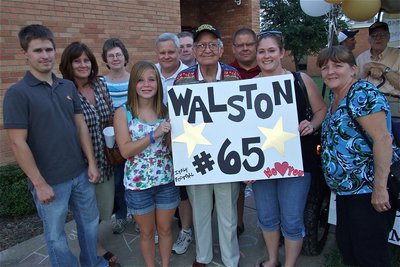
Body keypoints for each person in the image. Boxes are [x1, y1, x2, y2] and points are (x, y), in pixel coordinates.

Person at [3, 24, 109, 267]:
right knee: (56, 237)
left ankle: (92, 262)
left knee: (90, 225)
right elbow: (17, 143)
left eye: (49, 49)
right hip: (50, 182)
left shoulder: (67, 86)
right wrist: (39, 183)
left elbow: (81, 126)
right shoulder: (18, 94)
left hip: (81, 174)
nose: (45, 55)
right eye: (38, 50)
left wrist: (91, 163)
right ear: (25, 53)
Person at [317, 45, 398, 267]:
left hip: (368, 190)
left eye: (337, 65)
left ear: (353, 69)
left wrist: (380, 189)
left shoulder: (362, 94)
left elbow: (383, 139)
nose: (330, 71)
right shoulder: (336, 98)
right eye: (325, 67)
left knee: (370, 256)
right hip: (347, 192)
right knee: (349, 248)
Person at [252, 30, 327, 267]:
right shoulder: (249, 87)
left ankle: (289, 264)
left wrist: (312, 124)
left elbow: (321, 111)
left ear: (281, 53)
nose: (266, 56)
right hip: (261, 162)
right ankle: (273, 260)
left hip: (297, 160)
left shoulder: (300, 80)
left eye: (271, 50)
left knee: (292, 219)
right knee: (266, 216)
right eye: (261, 51)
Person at [174, 23, 241, 267]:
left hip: (227, 154)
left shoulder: (234, 76)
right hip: (197, 155)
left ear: (221, 49)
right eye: (201, 45)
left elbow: (244, 117)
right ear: (194, 50)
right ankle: (203, 257)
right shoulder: (182, 79)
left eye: (212, 44)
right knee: (200, 210)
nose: (207, 49)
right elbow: (177, 119)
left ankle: (230, 259)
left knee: (228, 213)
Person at [114, 61, 180, 267]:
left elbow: (173, 147)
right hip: (138, 186)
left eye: (152, 79)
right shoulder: (123, 113)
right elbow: (125, 151)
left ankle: (166, 264)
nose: (146, 84)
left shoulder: (167, 110)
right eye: (141, 80)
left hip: (166, 181)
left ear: (158, 83)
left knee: (166, 229)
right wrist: (154, 134)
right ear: (133, 84)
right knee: (147, 232)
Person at [59, 42, 118, 265]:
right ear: (69, 64)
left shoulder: (100, 85)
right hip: (80, 162)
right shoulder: (64, 90)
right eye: (77, 61)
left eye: (86, 60)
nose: (83, 65)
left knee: (104, 206)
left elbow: (111, 115)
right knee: (86, 211)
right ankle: (95, 248)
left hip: (105, 158)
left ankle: (94, 241)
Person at [229, 27, 261, 237]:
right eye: (240, 45)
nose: (245, 48)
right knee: (237, 185)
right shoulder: (228, 72)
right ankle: (238, 223)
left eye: (249, 44)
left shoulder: (269, 69)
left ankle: (271, 226)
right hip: (234, 134)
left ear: (256, 45)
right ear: (233, 48)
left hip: (265, 133)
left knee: (266, 183)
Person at [101, 38, 131, 235]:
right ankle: (121, 215)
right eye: (111, 55)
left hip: (135, 137)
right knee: (119, 180)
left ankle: (139, 215)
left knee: (136, 178)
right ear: (106, 59)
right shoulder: (101, 83)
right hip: (113, 141)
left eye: (118, 54)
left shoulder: (135, 79)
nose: (115, 58)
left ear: (125, 56)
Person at [356, 21, 400, 145]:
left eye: (382, 35)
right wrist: (365, 70)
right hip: (365, 104)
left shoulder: (398, 56)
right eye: (374, 36)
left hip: (392, 103)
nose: (378, 38)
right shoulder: (361, 58)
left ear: (389, 37)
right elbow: (353, 84)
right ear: (369, 39)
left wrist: (383, 69)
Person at [155, 33, 188, 106]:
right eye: (162, 53)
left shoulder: (190, 76)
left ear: (179, 52)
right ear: (157, 54)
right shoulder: (151, 72)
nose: (166, 57)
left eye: (171, 52)